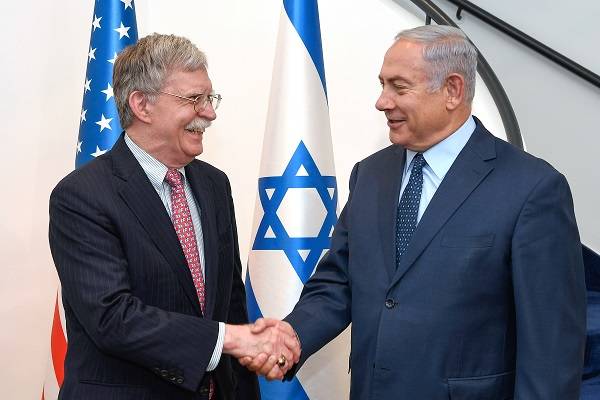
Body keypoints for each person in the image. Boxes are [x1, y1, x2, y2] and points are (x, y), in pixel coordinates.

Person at [243, 25, 587, 399]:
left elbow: (551, 351)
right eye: (382, 84)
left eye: (399, 87)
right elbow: (339, 281)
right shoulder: (371, 174)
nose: (382, 101)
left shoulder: (532, 188)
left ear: (452, 90)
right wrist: (293, 335)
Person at [49, 33, 299, 400]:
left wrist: (252, 353)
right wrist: (230, 339)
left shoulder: (214, 184)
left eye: (210, 98)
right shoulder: (82, 196)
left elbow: (229, 300)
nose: (210, 113)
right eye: (193, 99)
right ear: (142, 105)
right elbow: (112, 318)